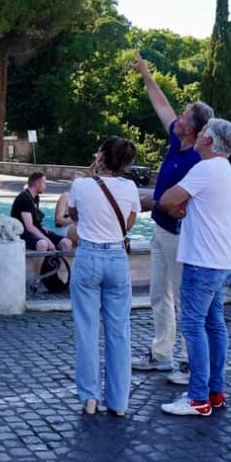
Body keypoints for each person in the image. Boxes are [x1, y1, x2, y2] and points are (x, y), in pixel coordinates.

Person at [130, 52, 214, 386]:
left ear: (192, 129)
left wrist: (163, 204)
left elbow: (190, 201)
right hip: (162, 230)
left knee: (183, 299)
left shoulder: (198, 158)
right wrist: (146, 74)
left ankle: (189, 363)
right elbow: (161, 104)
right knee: (158, 295)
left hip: (182, 235)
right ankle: (161, 353)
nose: (176, 117)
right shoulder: (176, 139)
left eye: (183, 116)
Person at [158, 118, 231, 417]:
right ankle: (214, 391)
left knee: (193, 325)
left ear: (209, 140)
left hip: (201, 262)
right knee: (214, 325)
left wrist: (179, 204)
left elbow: (167, 198)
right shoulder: (227, 170)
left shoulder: (205, 169)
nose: (200, 133)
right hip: (220, 260)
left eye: (204, 131)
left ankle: (197, 398)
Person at [68, 137, 141, 417]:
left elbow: (73, 215)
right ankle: (119, 401)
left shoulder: (81, 185)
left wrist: (91, 177)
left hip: (88, 256)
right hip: (116, 258)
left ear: (100, 157)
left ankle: (89, 397)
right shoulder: (130, 187)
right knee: (119, 331)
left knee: (87, 330)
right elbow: (129, 223)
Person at [11, 172, 72, 276]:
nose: (45, 186)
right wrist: (48, 240)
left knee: (67, 243)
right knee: (43, 244)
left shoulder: (35, 197)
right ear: (37, 184)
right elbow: (29, 227)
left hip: (35, 230)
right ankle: (37, 277)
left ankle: (61, 275)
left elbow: (34, 220)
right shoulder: (24, 198)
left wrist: (42, 226)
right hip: (23, 233)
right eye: (44, 183)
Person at [53, 172, 83, 247]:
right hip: (66, 228)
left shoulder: (84, 199)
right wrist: (75, 219)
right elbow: (58, 220)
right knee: (80, 230)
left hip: (80, 227)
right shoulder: (66, 196)